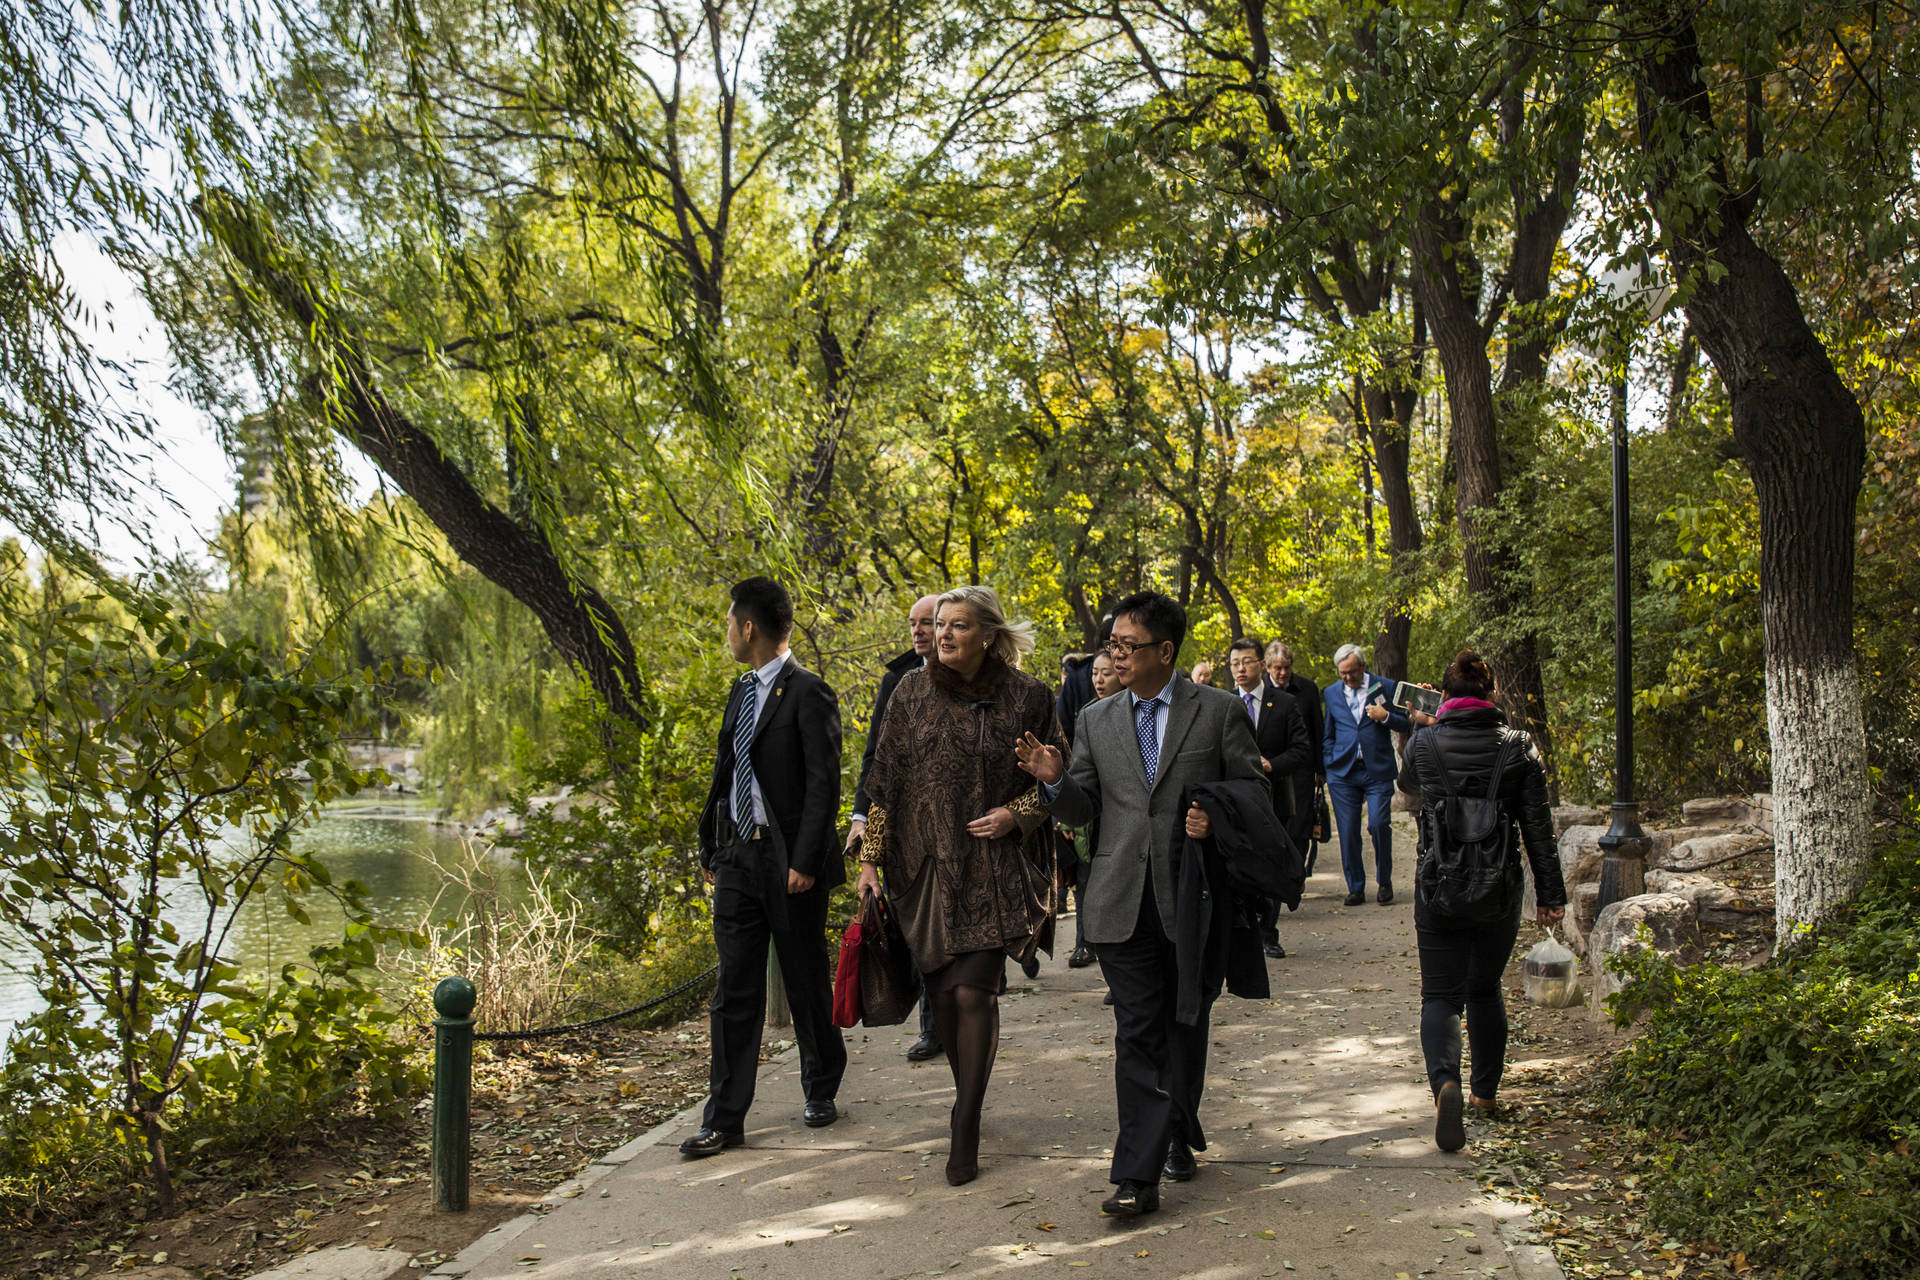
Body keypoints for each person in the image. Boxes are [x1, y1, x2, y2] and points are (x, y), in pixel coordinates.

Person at [1016, 591, 1264, 1219]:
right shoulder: (1097, 719)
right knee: (1137, 1031)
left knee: (1186, 1023)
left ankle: (1179, 1128)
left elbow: (1252, 791)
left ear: (1166, 651)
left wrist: (1215, 814)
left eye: (1128, 646)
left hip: (1193, 893)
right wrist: (1053, 782)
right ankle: (1137, 1174)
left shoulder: (1219, 710)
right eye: (1112, 646)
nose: (1116, 656)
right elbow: (1083, 809)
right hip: (1119, 896)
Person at [856, 585, 1062, 1187]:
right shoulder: (909, 694)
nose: (944, 635)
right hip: (921, 869)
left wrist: (1016, 813)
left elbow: (1059, 773)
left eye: (959, 626)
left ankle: (964, 1119)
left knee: (975, 993)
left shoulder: (1029, 696)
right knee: (942, 996)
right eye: (940, 625)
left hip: (995, 867)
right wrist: (869, 863)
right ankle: (963, 1086)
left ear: (989, 635)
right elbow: (882, 785)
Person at [685, 577, 846, 1157]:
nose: (726, 633)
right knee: (735, 990)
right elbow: (727, 770)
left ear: (748, 627)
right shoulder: (740, 691)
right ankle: (724, 1119)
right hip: (737, 858)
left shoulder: (809, 692)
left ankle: (821, 1084)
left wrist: (804, 861)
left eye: (729, 623)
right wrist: (712, 844)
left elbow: (824, 784)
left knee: (804, 980)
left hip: (788, 863)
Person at [1403, 650, 1567, 1152]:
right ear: (1492, 695)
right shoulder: (1518, 747)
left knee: (1440, 995)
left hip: (1439, 885)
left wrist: (1423, 730)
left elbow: (1407, 785)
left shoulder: (1424, 742)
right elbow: (1538, 825)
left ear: (1445, 695)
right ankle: (1485, 1095)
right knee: (1485, 988)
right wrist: (1551, 895)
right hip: (1499, 889)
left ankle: (1444, 1084)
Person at [847, 593, 945, 1063]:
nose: (919, 631)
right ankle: (933, 1028)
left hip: (958, 829)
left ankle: (957, 1020)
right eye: (914, 623)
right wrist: (862, 818)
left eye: (928, 622)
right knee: (918, 929)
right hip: (904, 829)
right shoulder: (898, 680)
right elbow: (876, 759)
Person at [1225, 638, 1311, 959]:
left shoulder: (1285, 704)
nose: (1241, 669)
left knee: (1272, 864)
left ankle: (1269, 932)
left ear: (1261, 664)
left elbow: (1302, 750)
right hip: (1236, 801)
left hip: (1275, 798)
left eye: (1247, 662)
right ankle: (1243, 931)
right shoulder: (1223, 702)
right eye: (1235, 663)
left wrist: (1271, 764)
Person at [1321, 643, 1410, 907]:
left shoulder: (1385, 686)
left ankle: (1384, 881)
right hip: (1343, 772)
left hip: (1377, 770)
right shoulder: (1331, 693)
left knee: (1378, 824)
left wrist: (1385, 717)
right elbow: (1329, 732)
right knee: (1348, 831)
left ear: (1362, 667)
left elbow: (1406, 722)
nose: (1347, 678)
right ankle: (1355, 887)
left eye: (1351, 672)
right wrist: (1328, 761)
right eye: (1342, 674)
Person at [1264, 640, 1322, 886]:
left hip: (1301, 769)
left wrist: (1321, 769)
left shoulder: (1307, 689)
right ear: (1267, 668)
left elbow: (1317, 731)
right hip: (1270, 768)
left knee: (1299, 825)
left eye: (1286, 667)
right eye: (1277, 668)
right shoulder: (1261, 690)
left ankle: (1295, 877)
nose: (1283, 672)